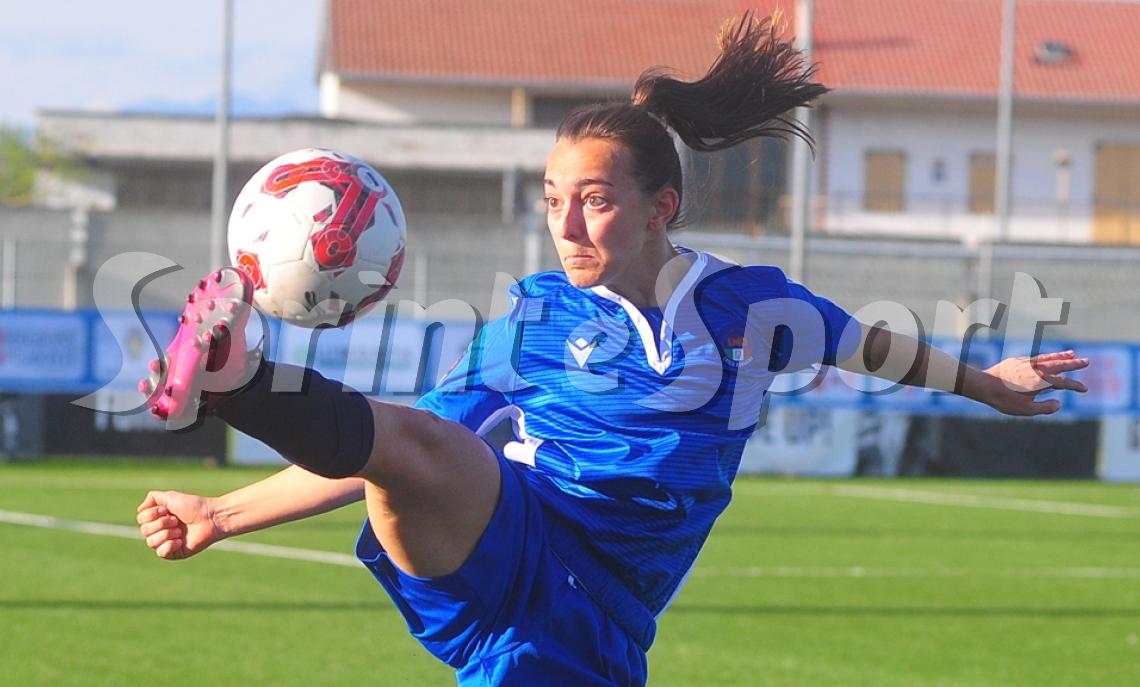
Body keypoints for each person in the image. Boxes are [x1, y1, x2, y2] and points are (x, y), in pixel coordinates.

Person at [133, 14, 1088, 687]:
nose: (566, 223)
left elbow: (875, 345)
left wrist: (988, 382)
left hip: (593, 617)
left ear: (658, 207)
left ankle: (238, 381)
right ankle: (234, 379)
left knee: (417, 456)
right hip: (506, 541)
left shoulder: (750, 307)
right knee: (418, 445)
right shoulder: (536, 318)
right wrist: (220, 510)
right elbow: (404, 440)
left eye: (592, 198)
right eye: (553, 199)